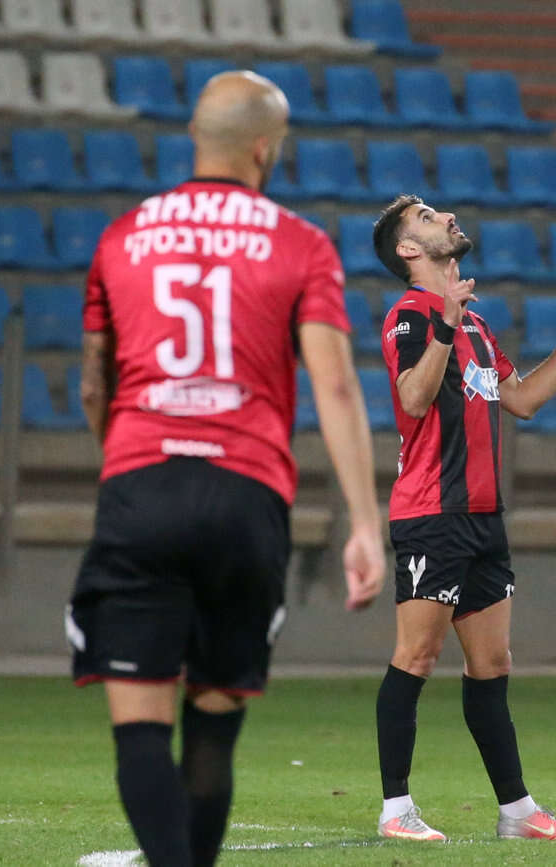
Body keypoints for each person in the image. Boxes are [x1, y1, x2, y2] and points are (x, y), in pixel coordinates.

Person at [65, 71, 385, 866]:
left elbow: (95, 383)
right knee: (212, 729)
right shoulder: (300, 243)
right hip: (246, 494)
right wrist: (364, 522)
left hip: (142, 482)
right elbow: (335, 386)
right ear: (264, 149)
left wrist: (127, 466)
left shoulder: (123, 236)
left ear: (194, 138)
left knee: (140, 732)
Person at [370, 195, 556, 842]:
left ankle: (517, 812)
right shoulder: (409, 316)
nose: (445, 216)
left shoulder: (476, 324)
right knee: (417, 655)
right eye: (426, 217)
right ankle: (396, 810)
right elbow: (413, 399)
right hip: (431, 512)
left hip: (481, 515)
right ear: (408, 249)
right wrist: (445, 323)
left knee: (494, 663)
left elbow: (522, 399)